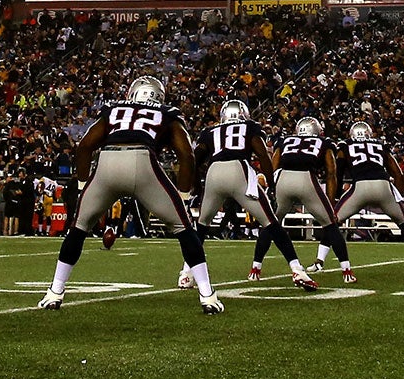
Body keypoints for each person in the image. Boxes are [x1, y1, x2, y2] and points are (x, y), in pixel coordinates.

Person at [40, 74, 221, 315]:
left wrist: (84, 185)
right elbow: (186, 155)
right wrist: (184, 196)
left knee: (78, 228)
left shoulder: (114, 108)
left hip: (108, 162)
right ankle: (207, 296)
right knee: (184, 228)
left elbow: (84, 145)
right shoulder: (167, 112)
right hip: (142, 161)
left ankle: (54, 292)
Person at [189, 97, 313, 290]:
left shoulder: (209, 131)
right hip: (239, 170)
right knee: (271, 222)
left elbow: (194, 160)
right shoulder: (250, 127)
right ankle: (297, 268)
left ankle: (186, 273)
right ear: (244, 114)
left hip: (214, 172)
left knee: (202, 226)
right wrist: (271, 185)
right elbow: (262, 154)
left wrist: (196, 186)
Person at [311, 119, 404, 275]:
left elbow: (338, 172)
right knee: (403, 223)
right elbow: (398, 173)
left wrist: (336, 196)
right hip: (382, 185)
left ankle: (319, 261)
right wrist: (397, 195)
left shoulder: (345, 145)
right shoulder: (379, 145)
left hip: (360, 187)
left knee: (333, 222)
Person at [259, 117, 355, 284]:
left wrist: (272, 189)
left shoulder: (285, 140)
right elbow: (331, 172)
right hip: (306, 179)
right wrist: (330, 201)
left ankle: (255, 268)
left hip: (283, 179)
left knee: (270, 223)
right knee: (330, 224)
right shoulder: (324, 142)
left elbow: (274, 164)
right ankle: (346, 271)